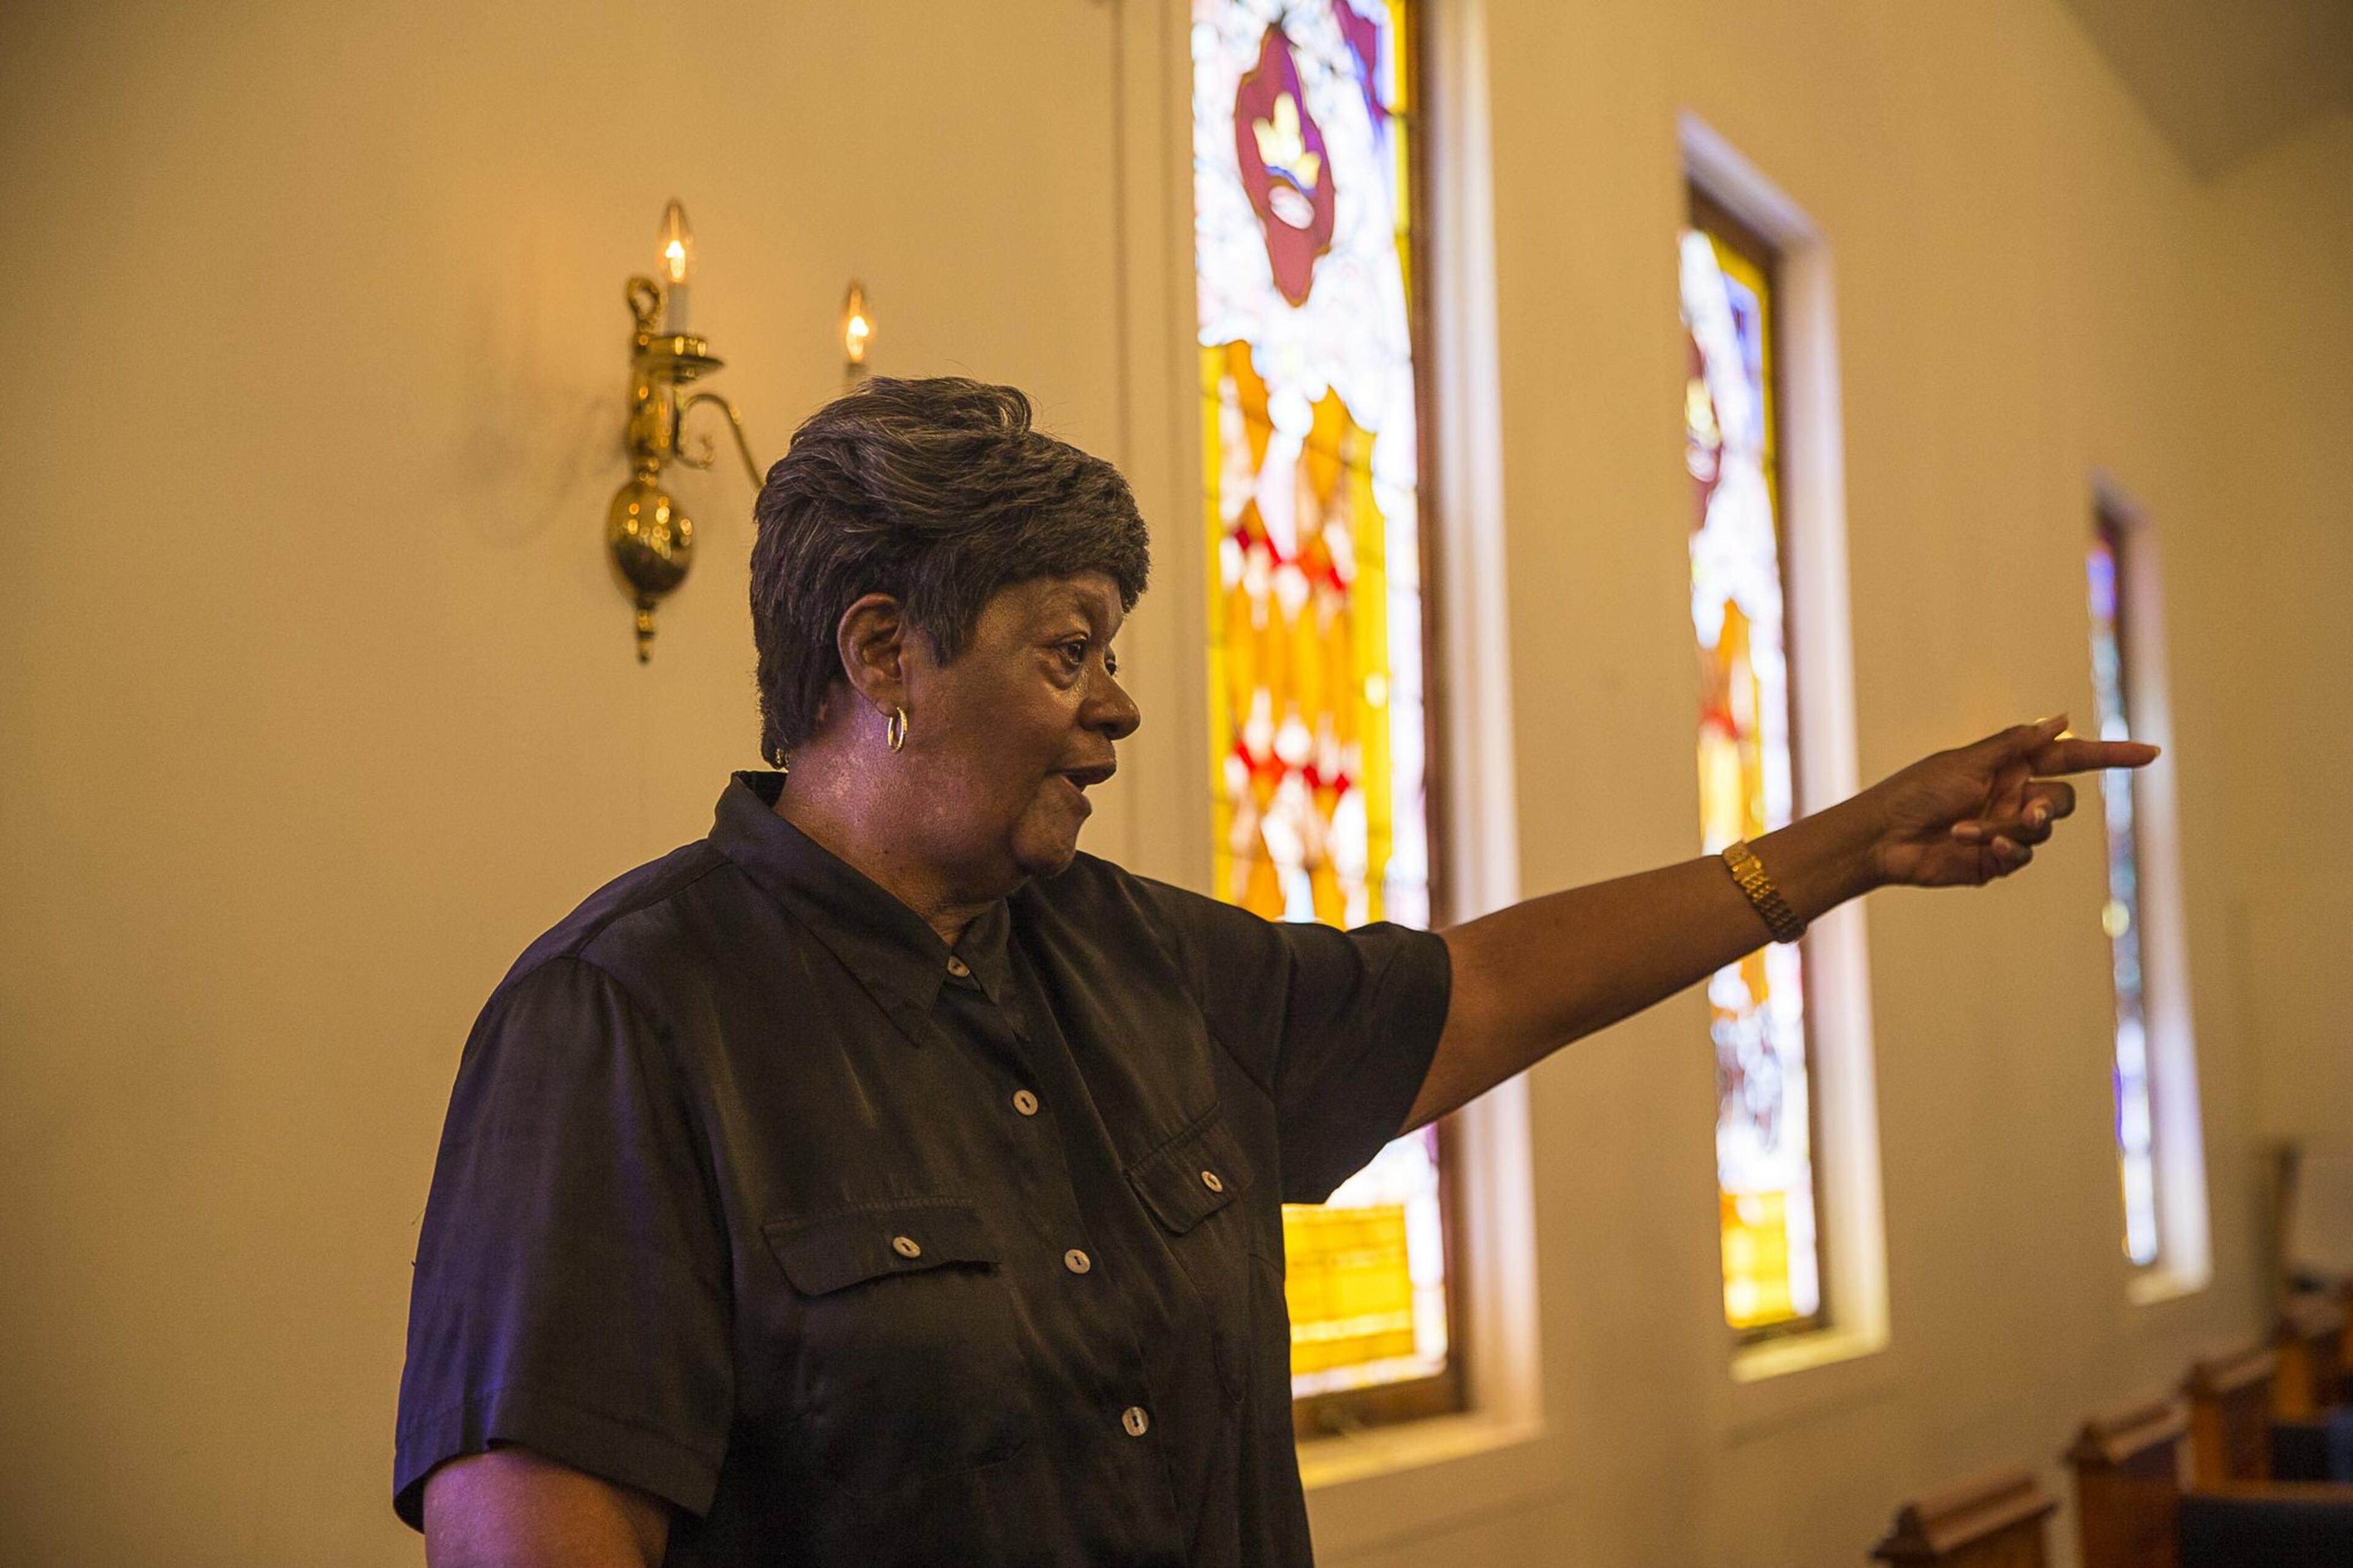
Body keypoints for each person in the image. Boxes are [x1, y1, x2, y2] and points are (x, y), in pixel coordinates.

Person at [395, 377, 2154, 1567]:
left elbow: (1479, 990)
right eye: (1069, 649)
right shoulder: (625, 1022)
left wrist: (1847, 849)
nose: (1120, 705)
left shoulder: (1138, 957)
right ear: (886, 657)